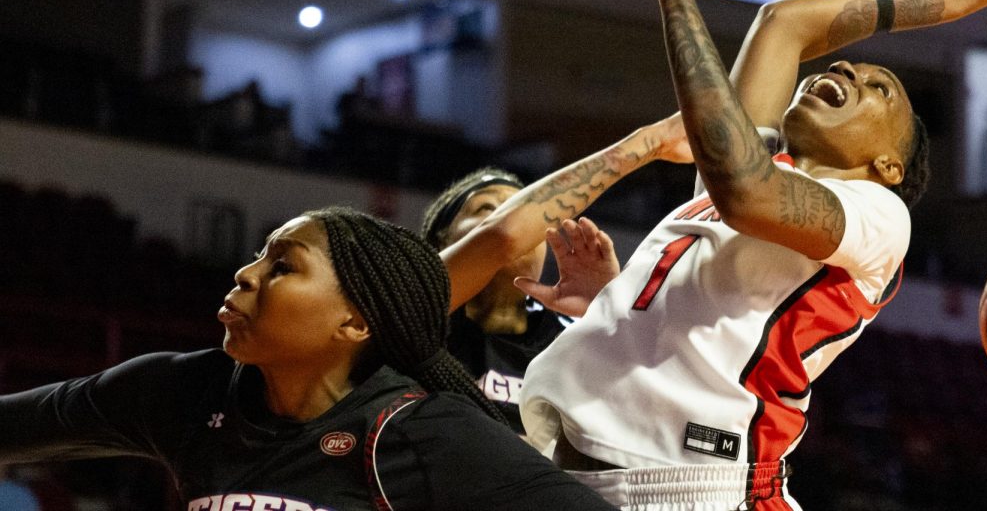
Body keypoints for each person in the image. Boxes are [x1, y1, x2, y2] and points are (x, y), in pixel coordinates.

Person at [512, 0, 987, 511]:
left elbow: (746, 191)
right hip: (575, 461)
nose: (852, 71)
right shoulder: (747, 172)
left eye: (880, 88)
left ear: (889, 165)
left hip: (686, 488)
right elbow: (783, 23)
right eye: (852, 68)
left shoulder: (879, 216)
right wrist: (943, 1)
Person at [0, 206, 618, 510]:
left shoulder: (424, 433)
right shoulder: (184, 393)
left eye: (282, 266)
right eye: (259, 257)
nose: (245, 274)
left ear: (354, 322)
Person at [420, 167, 622, 434]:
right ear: (440, 242)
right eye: (488, 209)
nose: (516, 226)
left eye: (529, 217)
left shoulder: (573, 335)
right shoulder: (414, 323)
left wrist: (610, 316)